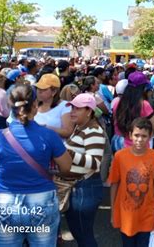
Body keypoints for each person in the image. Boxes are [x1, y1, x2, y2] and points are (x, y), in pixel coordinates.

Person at [0, 84, 72, 246]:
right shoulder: (49, 135)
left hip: (6, 200)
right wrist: (50, 169)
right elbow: (66, 167)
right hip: (41, 200)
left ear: (9, 105)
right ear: (35, 105)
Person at [60, 93, 106, 247]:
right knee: (80, 233)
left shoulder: (93, 130)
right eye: (72, 107)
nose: (72, 111)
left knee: (83, 235)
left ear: (89, 111)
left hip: (85, 188)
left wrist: (67, 153)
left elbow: (94, 162)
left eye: (77, 108)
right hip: (79, 188)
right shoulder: (81, 127)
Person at [109, 117, 154, 246]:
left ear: (150, 136)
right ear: (130, 135)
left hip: (148, 214)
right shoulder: (119, 156)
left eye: (144, 136)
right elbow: (114, 183)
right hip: (126, 216)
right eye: (136, 135)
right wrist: (113, 210)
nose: (140, 140)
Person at [112, 72, 154, 152]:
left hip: (117, 143)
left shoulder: (117, 103)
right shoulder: (144, 105)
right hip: (137, 146)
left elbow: (115, 121)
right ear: (143, 88)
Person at [35, 73, 74, 138]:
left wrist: (46, 128)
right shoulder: (34, 105)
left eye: (43, 89)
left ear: (54, 92)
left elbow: (68, 132)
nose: (39, 91)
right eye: (38, 88)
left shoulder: (65, 106)